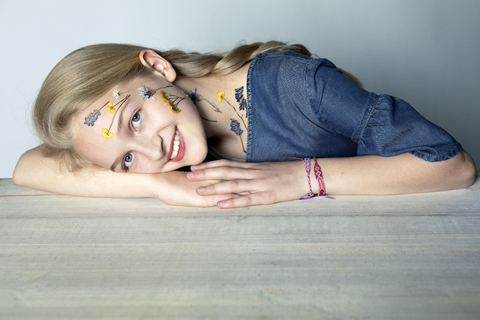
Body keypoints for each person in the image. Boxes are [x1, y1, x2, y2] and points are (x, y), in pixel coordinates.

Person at [13, 41, 476, 208]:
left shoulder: (296, 84)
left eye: (134, 117)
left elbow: (452, 166)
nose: (153, 154)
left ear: (156, 66)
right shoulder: (162, 163)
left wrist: (300, 177)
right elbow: (27, 168)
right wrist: (158, 188)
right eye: (126, 160)